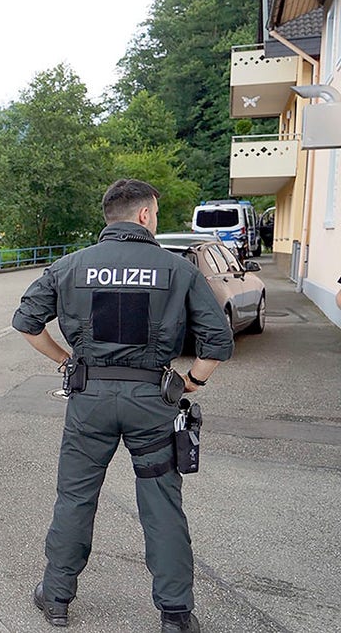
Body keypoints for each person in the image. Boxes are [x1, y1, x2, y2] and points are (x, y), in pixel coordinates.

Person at [12, 179, 233, 633]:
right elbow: (216, 342)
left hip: (89, 401)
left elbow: (27, 323)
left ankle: (56, 598)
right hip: (153, 403)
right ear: (146, 216)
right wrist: (189, 382)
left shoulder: (69, 266)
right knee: (161, 502)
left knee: (75, 496)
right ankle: (175, 613)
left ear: (109, 216)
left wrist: (65, 360)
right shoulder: (177, 270)